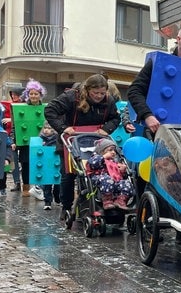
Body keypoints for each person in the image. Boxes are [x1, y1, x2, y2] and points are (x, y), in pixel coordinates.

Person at [45, 74, 121, 220]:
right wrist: (63, 127)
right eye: (95, 93)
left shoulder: (109, 100)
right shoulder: (71, 97)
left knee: (99, 171)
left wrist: (106, 129)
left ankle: (97, 203)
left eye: (102, 93)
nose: (99, 96)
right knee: (69, 175)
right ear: (87, 90)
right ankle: (66, 206)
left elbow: (115, 118)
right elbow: (50, 110)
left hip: (96, 141)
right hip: (71, 140)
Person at [17, 79, 47, 197]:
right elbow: (17, 126)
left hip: (41, 141)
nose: (33, 96)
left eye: (36, 94)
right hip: (26, 142)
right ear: (27, 95)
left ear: (40, 95)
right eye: (31, 93)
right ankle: (26, 186)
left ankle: (39, 187)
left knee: (40, 163)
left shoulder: (46, 108)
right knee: (26, 164)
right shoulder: (22, 108)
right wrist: (16, 141)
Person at [86, 137, 134, 210]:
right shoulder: (96, 158)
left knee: (126, 183)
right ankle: (107, 200)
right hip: (100, 181)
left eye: (114, 150)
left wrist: (122, 170)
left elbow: (120, 175)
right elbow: (92, 164)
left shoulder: (113, 161)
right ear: (101, 151)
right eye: (110, 150)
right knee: (107, 179)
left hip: (115, 182)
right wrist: (103, 157)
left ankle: (121, 200)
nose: (113, 152)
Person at [5, 87, 25, 192]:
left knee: (26, 161)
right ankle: (17, 181)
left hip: (24, 135)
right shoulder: (10, 106)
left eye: (16, 95)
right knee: (13, 159)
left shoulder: (26, 106)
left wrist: (11, 120)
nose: (13, 97)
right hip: (12, 135)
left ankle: (27, 183)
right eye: (12, 95)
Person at [39, 121, 61, 210]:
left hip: (56, 164)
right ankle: (47, 201)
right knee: (47, 184)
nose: (46, 130)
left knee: (58, 184)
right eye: (45, 128)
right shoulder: (40, 139)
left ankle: (57, 199)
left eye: (49, 128)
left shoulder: (57, 139)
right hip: (46, 165)